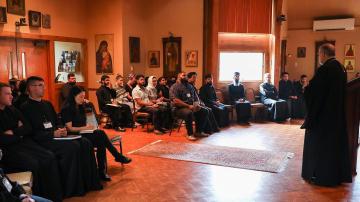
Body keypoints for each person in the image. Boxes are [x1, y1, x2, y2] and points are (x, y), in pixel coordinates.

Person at [20, 76, 102, 198]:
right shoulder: (24, 107)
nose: (44, 88)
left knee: (85, 143)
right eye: (40, 85)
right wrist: (52, 134)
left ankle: (88, 183)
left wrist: (61, 129)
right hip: (42, 141)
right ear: (31, 88)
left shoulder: (47, 104)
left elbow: (57, 120)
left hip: (56, 136)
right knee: (72, 147)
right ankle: (72, 189)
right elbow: (30, 131)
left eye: (43, 85)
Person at [0, 82, 62, 202]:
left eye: (11, 93)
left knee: (49, 157)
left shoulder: (12, 109)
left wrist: (13, 132)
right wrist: (19, 132)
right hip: (8, 150)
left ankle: (54, 196)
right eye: (7, 94)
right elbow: (2, 139)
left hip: (23, 144)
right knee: (34, 164)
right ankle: (38, 197)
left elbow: (28, 127)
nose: (11, 96)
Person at [301, 43, 352, 187]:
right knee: (334, 147)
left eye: (319, 54)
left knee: (321, 147)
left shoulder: (325, 69)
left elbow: (315, 93)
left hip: (323, 118)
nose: (319, 57)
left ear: (323, 53)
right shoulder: (341, 68)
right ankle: (336, 175)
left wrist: (306, 89)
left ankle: (320, 176)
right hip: (337, 116)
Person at [61, 86, 132, 181]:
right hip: (74, 135)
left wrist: (88, 105)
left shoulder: (81, 106)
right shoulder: (67, 108)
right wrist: (85, 128)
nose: (83, 99)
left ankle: (102, 171)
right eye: (81, 97)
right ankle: (114, 160)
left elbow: (88, 119)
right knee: (101, 135)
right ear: (73, 96)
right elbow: (69, 128)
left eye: (84, 97)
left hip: (84, 132)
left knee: (101, 141)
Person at [170, 72, 213, 140]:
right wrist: (188, 106)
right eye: (183, 75)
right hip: (178, 108)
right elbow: (175, 101)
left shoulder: (189, 86)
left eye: (186, 75)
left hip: (191, 106)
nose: (185, 77)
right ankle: (189, 134)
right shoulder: (174, 86)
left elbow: (195, 98)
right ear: (178, 77)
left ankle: (199, 131)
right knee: (188, 113)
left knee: (205, 111)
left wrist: (197, 104)